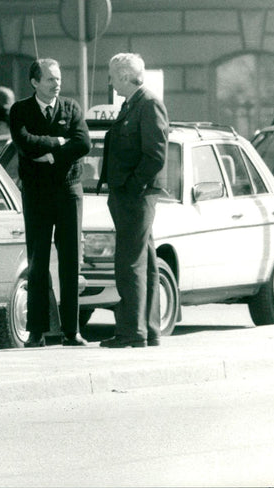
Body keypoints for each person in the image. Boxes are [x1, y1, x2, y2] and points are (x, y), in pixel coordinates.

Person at [9, 59, 91, 348]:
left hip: (69, 190)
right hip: (36, 193)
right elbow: (24, 142)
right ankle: (36, 331)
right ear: (34, 82)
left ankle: (72, 331)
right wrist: (58, 141)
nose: (57, 83)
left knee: (70, 260)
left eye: (58, 78)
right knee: (38, 261)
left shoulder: (71, 107)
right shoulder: (20, 110)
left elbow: (83, 143)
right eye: (50, 79)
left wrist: (53, 155)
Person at [97, 53, 169, 348]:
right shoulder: (133, 104)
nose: (110, 81)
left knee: (129, 262)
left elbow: (156, 154)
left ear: (125, 76)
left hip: (136, 196)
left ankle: (131, 331)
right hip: (133, 194)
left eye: (112, 75)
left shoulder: (148, 103)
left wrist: (132, 186)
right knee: (146, 262)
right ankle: (148, 330)